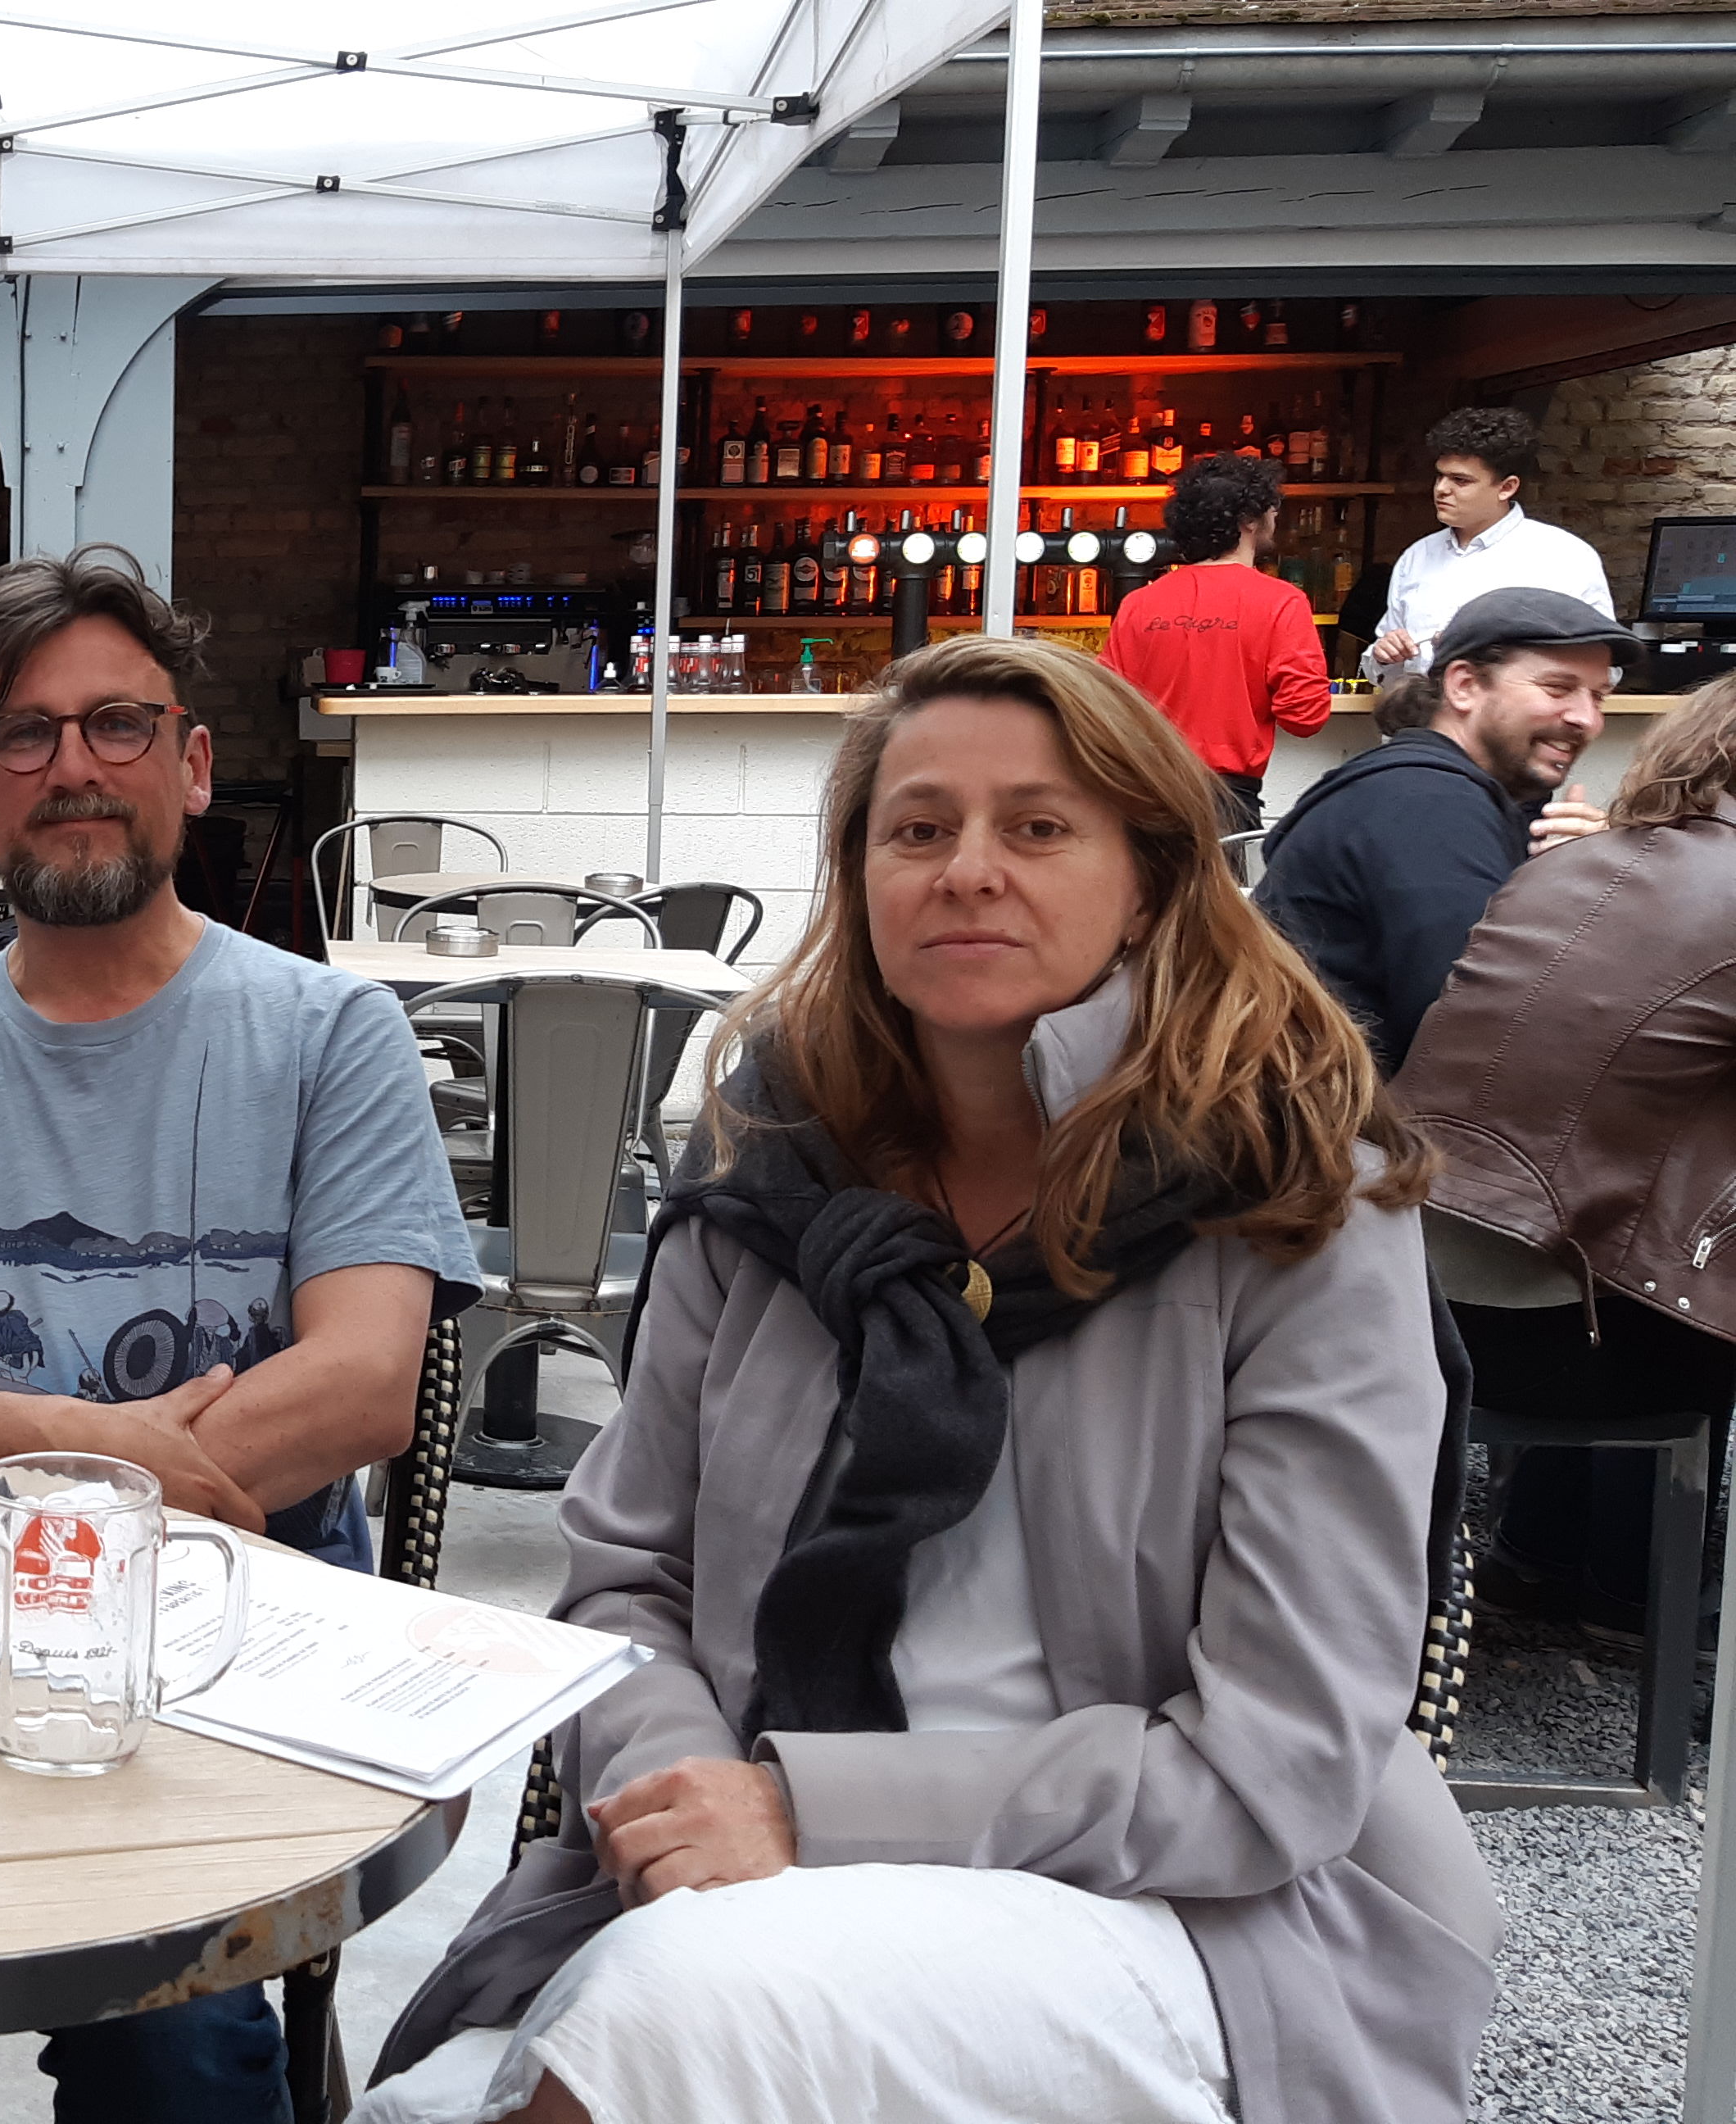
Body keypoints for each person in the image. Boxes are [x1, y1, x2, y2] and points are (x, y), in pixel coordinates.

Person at [363, 632, 1494, 2124]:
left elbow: (1273, 1762)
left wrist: (804, 1811)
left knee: (646, 2035)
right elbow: (627, 1579)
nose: (967, 871)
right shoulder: (772, 1173)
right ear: (859, 882)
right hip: (739, 1878)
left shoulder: (1293, 1206)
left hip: (1193, 1912)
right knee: (456, 2090)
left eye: (1037, 826)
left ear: (1149, 881)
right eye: (916, 829)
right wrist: (682, 1800)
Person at [0, 545, 481, 2119]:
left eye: (116, 723)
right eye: (23, 733)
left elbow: (362, 1384)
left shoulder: (329, 1035)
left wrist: (6, 1459)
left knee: (173, 2044)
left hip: (225, 1634)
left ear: (190, 766)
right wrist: (83, 1448)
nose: (72, 765)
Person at [1394, 673, 1736, 1640]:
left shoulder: (1564, 865)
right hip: (1566, 1344)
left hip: (1413, 1294)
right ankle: (1634, 1594)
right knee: (1681, 1262)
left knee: (1607, 1207)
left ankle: (1536, 1559)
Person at [1253, 585, 1635, 1070]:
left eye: (1598, 697)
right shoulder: (1428, 806)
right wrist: (1608, 907)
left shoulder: (1436, 791)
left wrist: (1572, 884)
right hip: (1330, 1110)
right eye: (1558, 688)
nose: (1588, 719)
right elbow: (1485, 1040)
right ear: (1464, 687)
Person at [1104, 453, 1330, 832]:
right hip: (1227, 802)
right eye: (1272, 507)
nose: (1276, 515)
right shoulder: (1281, 602)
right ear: (1248, 520)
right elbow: (1305, 718)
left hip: (1146, 796)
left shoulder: (1139, 604)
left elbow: (1103, 707)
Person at [1367, 406, 1616, 681]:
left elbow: (1607, 666)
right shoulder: (1417, 557)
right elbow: (1383, 669)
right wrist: (1383, 656)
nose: (1441, 489)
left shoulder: (1565, 557)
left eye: (1460, 480)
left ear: (1507, 487)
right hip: (1424, 705)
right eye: (1440, 475)